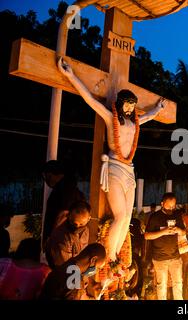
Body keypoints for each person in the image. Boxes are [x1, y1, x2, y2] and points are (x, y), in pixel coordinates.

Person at [58, 58, 165, 262]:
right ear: (120, 103)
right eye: (127, 104)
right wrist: (71, 75)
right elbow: (90, 99)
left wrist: (158, 108)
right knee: (120, 216)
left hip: (129, 169)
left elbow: (149, 116)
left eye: (132, 106)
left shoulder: (135, 122)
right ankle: (109, 254)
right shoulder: (111, 117)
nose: (129, 109)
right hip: (114, 166)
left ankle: (117, 253)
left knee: (127, 216)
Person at [144, 192, 186, 300]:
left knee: (178, 284)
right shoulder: (155, 217)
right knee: (161, 285)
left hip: (175, 256)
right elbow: (147, 236)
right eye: (169, 206)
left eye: (173, 206)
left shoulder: (176, 215)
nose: (171, 208)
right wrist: (163, 232)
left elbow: (184, 232)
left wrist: (178, 230)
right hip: (159, 258)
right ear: (162, 203)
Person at [39, 243, 106, 300]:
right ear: (93, 260)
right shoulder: (75, 279)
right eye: (97, 268)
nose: (96, 271)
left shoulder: (70, 263)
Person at [41, 160, 85, 245]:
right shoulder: (64, 188)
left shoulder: (65, 189)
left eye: (47, 176)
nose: (46, 180)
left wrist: (52, 237)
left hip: (62, 241)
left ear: (54, 174)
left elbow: (64, 213)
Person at [45, 201, 91, 269]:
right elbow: (64, 269)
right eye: (73, 223)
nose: (77, 226)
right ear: (69, 216)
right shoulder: (61, 236)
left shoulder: (85, 230)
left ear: (88, 218)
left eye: (81, 224)